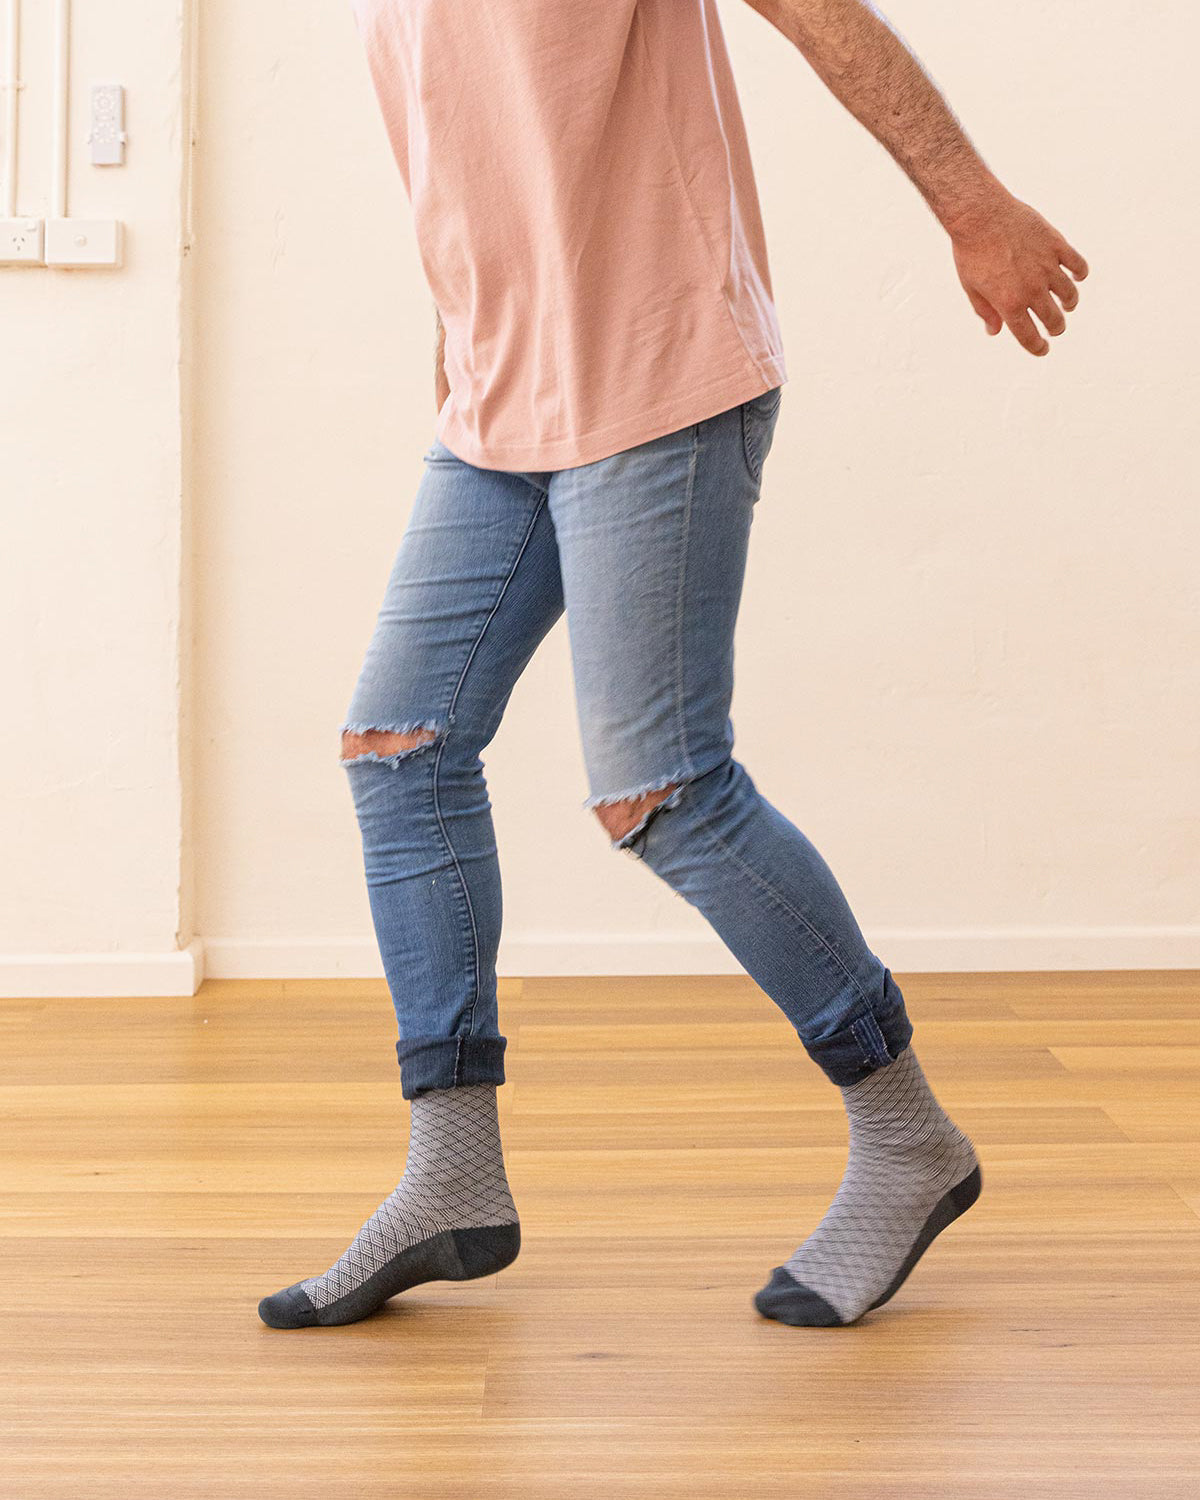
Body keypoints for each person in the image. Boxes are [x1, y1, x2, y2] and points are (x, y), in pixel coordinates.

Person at [258, 0, 1086, 1330]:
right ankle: (453, 1175)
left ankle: (908, 1137)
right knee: (399, 750)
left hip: (659, 375)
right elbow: (464, 160)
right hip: (499, 403)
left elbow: (823, 17)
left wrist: (973, 207)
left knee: (667, 792)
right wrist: (463, 351)